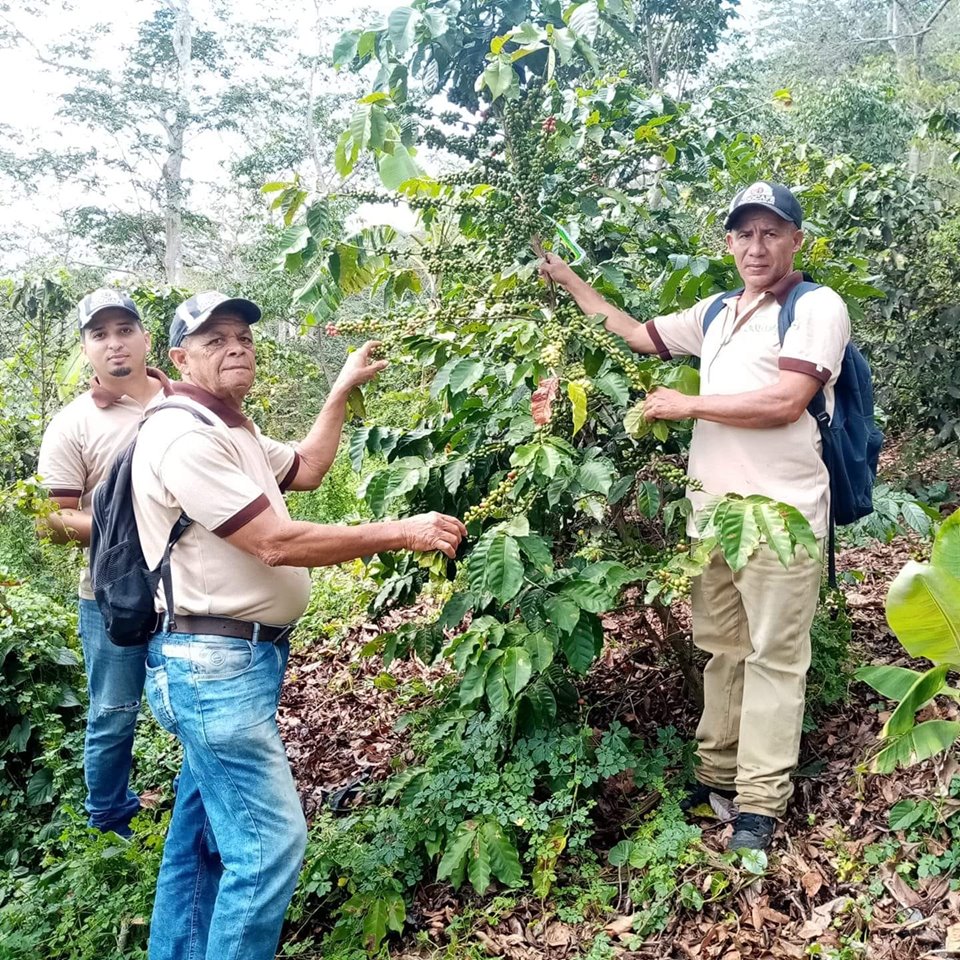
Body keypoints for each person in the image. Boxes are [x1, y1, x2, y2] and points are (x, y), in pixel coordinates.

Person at [132, 291, 466, 960]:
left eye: (243, 338)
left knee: (199, 840)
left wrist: (340, 388)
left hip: (233, 667)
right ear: (179, 358)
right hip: (209, 671)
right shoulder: (183, 435)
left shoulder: (233, 429)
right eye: (215, 340)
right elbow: (274, 542)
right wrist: (399, 531)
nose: (236, 348)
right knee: (268, 848)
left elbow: (307, 469)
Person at [539, 181, 850, 851]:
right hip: (712, 520)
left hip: (781, 518)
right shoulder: (716, 313)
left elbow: (786, 401)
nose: (756, 246)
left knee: (774, 657)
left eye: (772, 232)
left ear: (797, 240)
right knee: (722, 650)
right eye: (745, 233)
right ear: (729, 242)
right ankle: (717, 774)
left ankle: (763, 803)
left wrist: (688, 406)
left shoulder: (815, 306)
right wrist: (569, 280)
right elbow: (630, 331)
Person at [37, 289, 175, 837]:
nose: (115, 344)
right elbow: (54, 520)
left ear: (146, 338)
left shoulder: (184, 400)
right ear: (86, 349)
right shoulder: (72, 425)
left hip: (190, 589)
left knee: (196, 703)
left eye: (125, 330)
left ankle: (203, 805)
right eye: (100, 334)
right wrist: (131, 526)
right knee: (115, 713)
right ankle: (109, 817)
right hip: (109, 594)